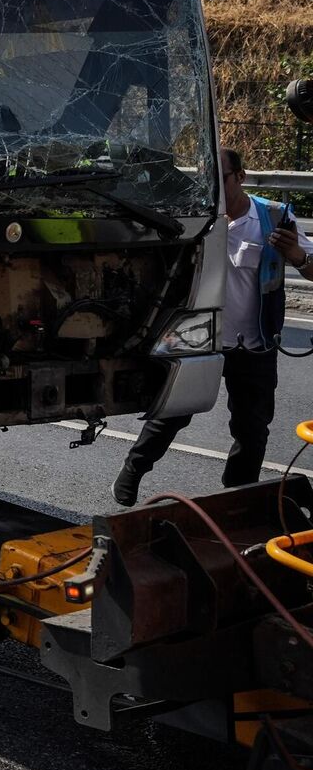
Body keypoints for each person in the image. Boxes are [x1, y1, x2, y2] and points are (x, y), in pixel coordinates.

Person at [115, 147, 313, 505]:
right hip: (200, 339)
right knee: (173, 414)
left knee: (252, 431)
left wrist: (297, 257)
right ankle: (133, 469)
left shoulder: (274, 216)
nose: (213, 188)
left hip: (255, 343)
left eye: (220, 179)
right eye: (206, 180)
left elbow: (310, 266)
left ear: (241, 177)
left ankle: (235, 499)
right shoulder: (194, 214)